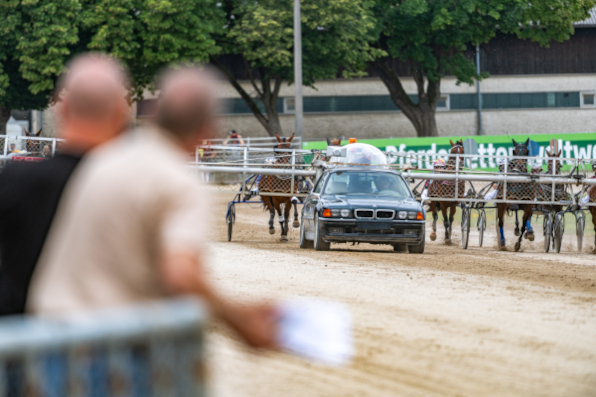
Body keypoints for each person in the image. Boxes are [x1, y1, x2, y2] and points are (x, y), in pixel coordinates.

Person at [27, 66, 277, 349]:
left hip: (50, 338)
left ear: (157, 112)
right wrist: (240, 322)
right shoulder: (179, 182)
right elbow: (181, 273)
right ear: (207, 129)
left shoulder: (103, 160)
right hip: (112, 344)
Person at [0, 54, 130, 317]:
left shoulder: (13, 179)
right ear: (120, 115)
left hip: (18, 339)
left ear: (63, 109)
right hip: (102, 341)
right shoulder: (132, 188)